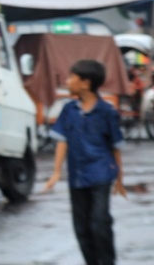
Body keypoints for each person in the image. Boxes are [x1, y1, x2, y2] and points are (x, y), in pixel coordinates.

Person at [43, 59, 127, 265]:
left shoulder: (107, 112)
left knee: (99, 223)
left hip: (100, 174)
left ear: (85, 83)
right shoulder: (69, 110)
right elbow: (62, 142)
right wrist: (56, 172)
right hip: (77, 177)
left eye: (72, 77)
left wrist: (119, 178)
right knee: (81, 227)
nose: (68, 81)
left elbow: (115, 146)